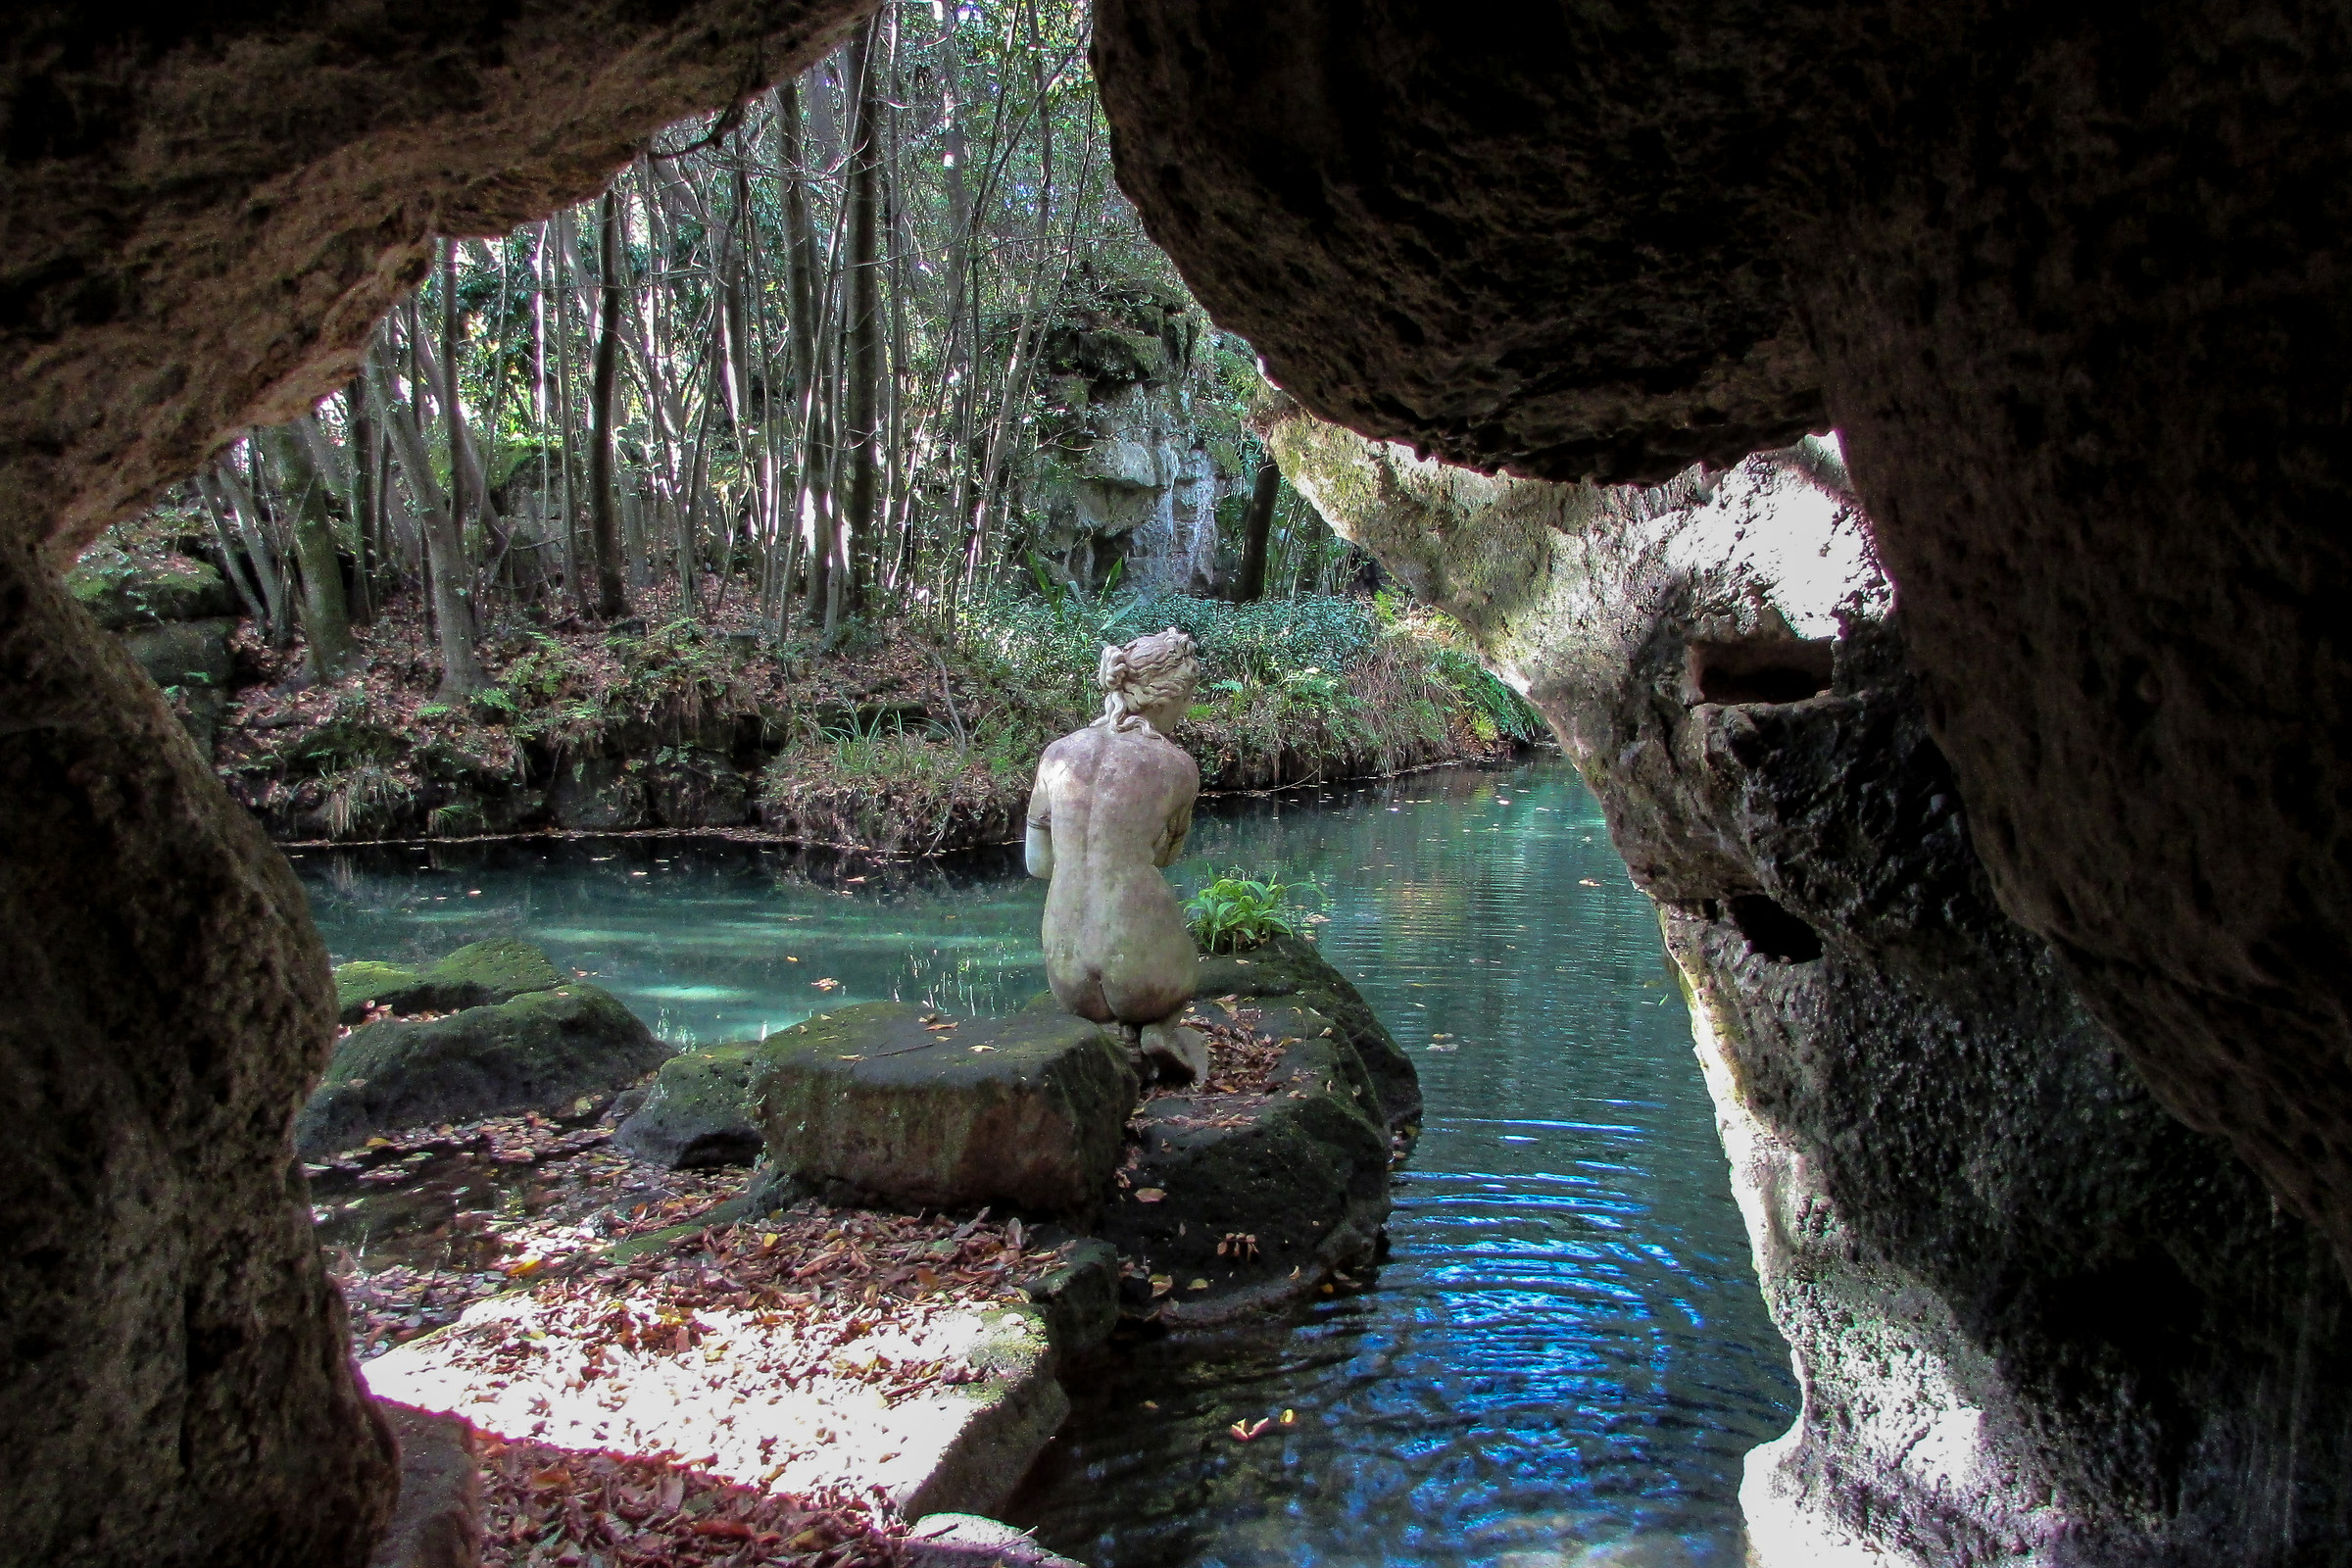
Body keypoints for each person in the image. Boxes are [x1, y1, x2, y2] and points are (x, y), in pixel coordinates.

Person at [1026, 626, 1210, 1082]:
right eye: (1187, 699)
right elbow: (1166, 858)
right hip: (1145, 973)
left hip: (1066, 974)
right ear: (1165, 699)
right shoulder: (1177, 767)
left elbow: (1038, 864)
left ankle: (1106, 1032)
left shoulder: (1057, 755)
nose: (1188, 710)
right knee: (1170, 938)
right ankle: (1160, 1031)